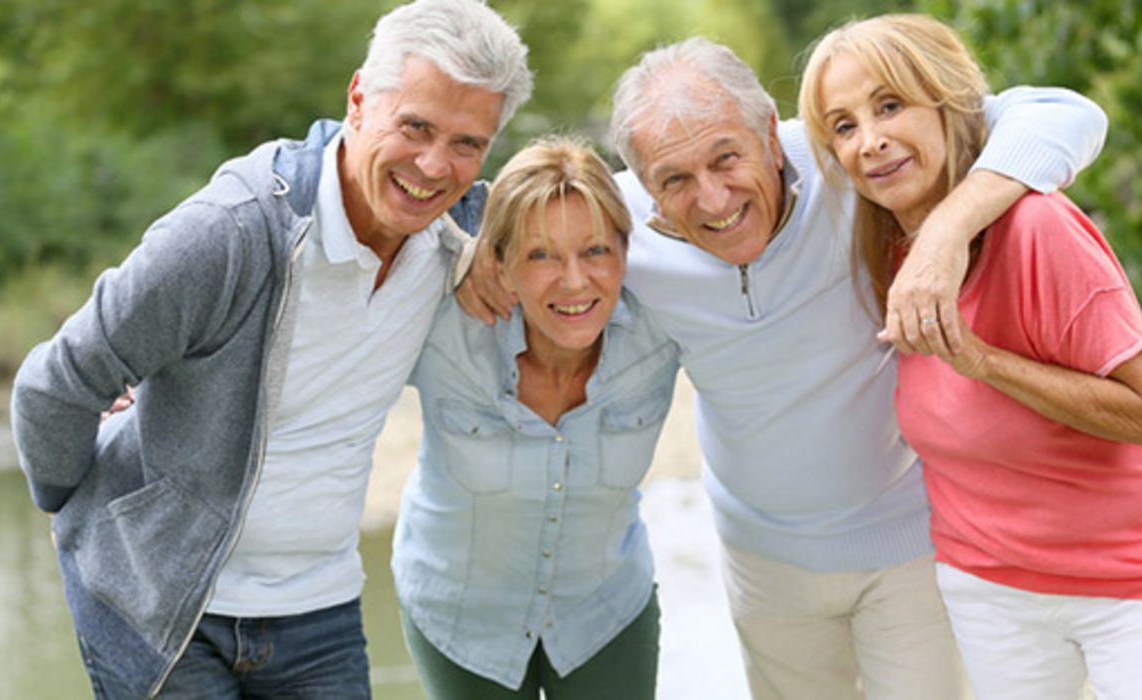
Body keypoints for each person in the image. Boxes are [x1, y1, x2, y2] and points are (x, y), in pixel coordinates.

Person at [459, 38, 1108, 700]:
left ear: (769, 133)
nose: (711, 200)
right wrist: (480, 254)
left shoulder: (848, 162)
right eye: (674, 180)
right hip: (762, 565)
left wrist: (943, 234)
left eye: (725, 159)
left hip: (911, 541)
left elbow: (1065, 113)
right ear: (644, 184)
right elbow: (490, 217)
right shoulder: (612, 224)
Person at [8, 1, 532, 697]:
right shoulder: (229, 234)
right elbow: (54, 384)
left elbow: (587, 215)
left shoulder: (458, 233)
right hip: (166, 608)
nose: (434, 166)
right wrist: (67, 508)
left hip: (320, 608)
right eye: (414, 126)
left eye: (467, 143)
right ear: (357, 99)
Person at [799, 14, 1142, 699]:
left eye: (890, 105)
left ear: (947, 104)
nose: (869, 141)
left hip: (1131, 582)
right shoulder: (877, 248)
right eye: (843, 127)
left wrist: (982, 361)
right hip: (989, 590)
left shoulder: (1035, 227)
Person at [393, 137, 678, 699]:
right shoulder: (438, 321)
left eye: (595, 251)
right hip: (459, 622)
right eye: (540, 255)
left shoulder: (664, 327)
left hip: (604, 615)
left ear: (626, 249)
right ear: (498, 262)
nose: (574, 281)